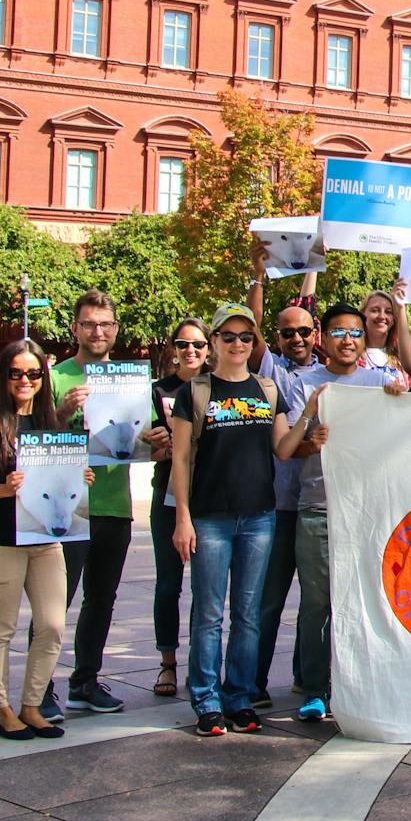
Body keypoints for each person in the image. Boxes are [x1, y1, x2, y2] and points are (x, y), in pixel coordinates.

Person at [170, 301, 313, 736]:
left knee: (248, 614)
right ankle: (207, 700)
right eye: (228, 337)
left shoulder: (267, 389)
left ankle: (239, 696)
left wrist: (310, 415)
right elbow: (180, 460)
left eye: (245, 337)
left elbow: (283, 449)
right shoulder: (194, 391)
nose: (237, 344)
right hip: (210, 517)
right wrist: (182, 518)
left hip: (258, 518)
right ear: (213, 341)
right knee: (209, 614)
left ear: (254, 343)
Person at [280, 303, 403, 723]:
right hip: (318, 508)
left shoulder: (380, 382)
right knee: (317, 603)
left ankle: (361, 682)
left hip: (369, 509)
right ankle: (314, 687)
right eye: (338, 332)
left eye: (354, 332)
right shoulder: (304, 384)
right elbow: (288, 449)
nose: (347, 340)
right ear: (323, 338)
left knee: (369, 598)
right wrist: (311, 428)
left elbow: (406, 430)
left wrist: (398, 399)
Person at [0, 339, 82, 740]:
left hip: (44, 539)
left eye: (33, 373)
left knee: (52, 624)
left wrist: (79, 480)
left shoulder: (50, 426)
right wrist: (5, 488)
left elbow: (62, 484)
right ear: (4, 377)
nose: (25, 380)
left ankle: (32, 704)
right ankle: (2, 708)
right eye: (17, 373)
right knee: (2, 627)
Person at [44, 291, 133, 719]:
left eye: (105, 324)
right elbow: (36, 439)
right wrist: (62, 413)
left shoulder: (128, 381)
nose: (97, 332)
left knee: (101, 599)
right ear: (75, 328)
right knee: (54, 601)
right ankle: (38, 686)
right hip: (67, 507)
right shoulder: (56, 377)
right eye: (88, 324)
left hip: (114, 504)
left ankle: (84, 681)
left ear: (115, 330)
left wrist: (153, 442)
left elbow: (136, 440)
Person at [248, 296, 317, 710]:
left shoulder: (332, 377)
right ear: (277, 337)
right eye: (287, 332)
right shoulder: (271, 373)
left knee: (314, 601)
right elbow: (249, 330)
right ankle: (253, 680)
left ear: (316, 335)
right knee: (268, 600)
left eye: (304, 331)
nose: (296, 338)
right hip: (275, 506)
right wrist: (258, 277)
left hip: (314, 506)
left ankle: (304, 677)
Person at [147, 319, 207, 699]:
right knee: (169, 583)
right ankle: (167, 662)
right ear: (173, 349)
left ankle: (202, 663)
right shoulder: (158, 391)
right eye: (183, 344)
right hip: (167, 493)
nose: (191, 351)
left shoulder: (217, 386)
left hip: (208, 495)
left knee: (206, 589)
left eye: (198, 345)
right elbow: (147, 449)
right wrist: (161, 444)